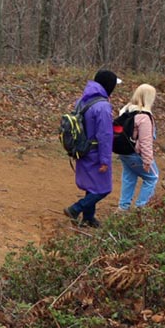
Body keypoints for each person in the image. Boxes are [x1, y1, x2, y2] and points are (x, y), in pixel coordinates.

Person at [64, 70, 119, 228]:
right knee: (103, 188)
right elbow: (105, 136)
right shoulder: (103, 107)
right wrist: (105, 160)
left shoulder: (83, 100)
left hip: (82, 149)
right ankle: (76, 208)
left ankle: (88, 218)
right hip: (95, 152)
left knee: (91, 185)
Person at [117, 83, 159, 210]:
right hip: (136, 154)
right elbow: (146, 142)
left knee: (129, 177)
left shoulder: (125, 110)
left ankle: (123, 208)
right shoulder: (144, 116)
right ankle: (141, 207)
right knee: (152, 177)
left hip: (124, 152)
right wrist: (147, 160)